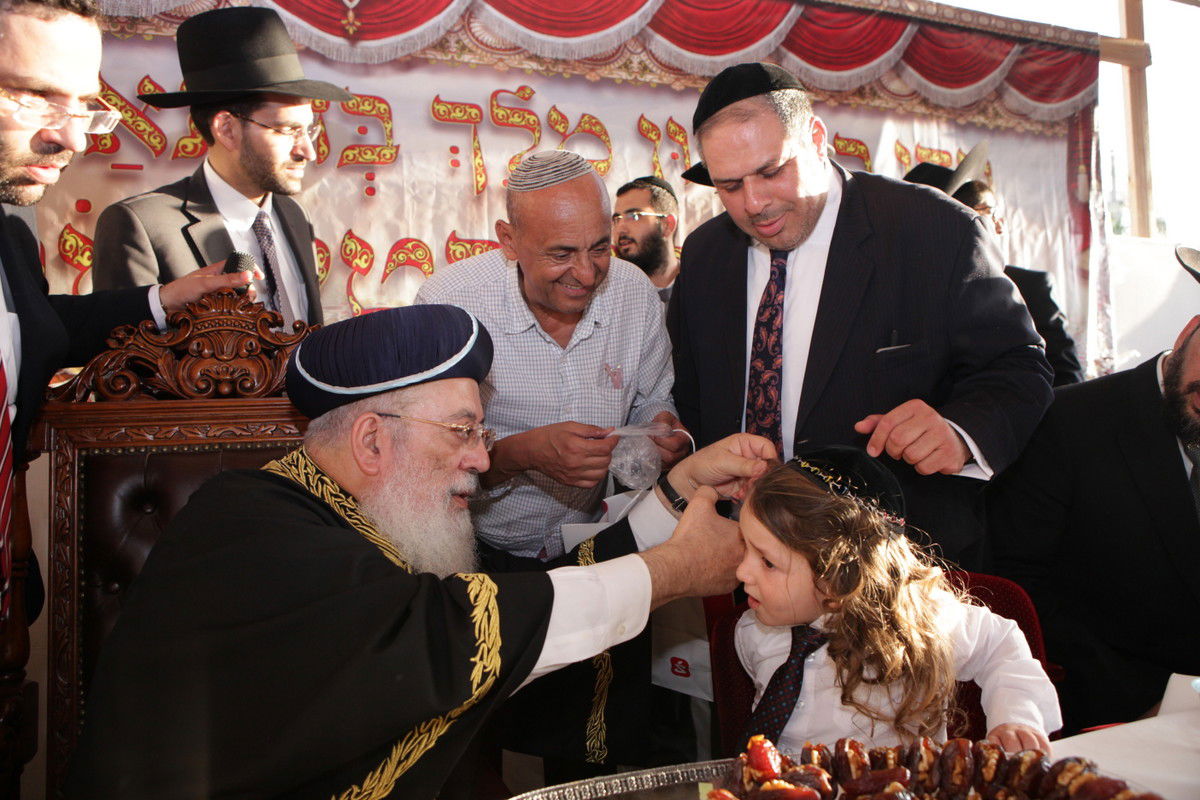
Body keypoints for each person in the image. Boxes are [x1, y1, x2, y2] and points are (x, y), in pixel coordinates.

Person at [67, 303, 769, 798]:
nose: (480, 459)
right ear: (373, 441)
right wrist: (672, 574)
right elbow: (447, 631)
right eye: (462, 431)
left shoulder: (380, 520)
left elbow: (522, 598)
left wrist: (673, 496)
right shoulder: (247, 525)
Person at [669, 62, 1053, 568]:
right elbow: (692, 398)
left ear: (816, 136)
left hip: (890, 570)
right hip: (742, 563)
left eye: (771, 171)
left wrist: (958, 432)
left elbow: (1020, 367)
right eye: (729, 185)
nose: (755, 203)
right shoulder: (705, 254)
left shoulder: (934, 231)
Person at [0, 0, 253, 623]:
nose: (72, 138)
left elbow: (42, 331)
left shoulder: (9, 236)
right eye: (34, 95)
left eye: (83, 105)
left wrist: (163, 300)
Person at [415, 150, 688, 562]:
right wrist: (523, 454)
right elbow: (425, 455)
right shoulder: (449, 306)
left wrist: (657, 426)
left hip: (600, 540)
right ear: (509, 241)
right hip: (479, 551)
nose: (586, 274)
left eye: (599, 248)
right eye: (561, 255)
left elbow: (652, 395)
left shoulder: (634, 294)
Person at [988, 246, 1200, 734]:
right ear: (1189, 332)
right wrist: (1149, 703)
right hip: (1111, 719)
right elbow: (1021, 588)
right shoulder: (1067, 422)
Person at [734, 446, 1060, 753]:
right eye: (744, 546)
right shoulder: (752, 632)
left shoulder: (916, 622)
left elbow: (999, 645)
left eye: (767, 561)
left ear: (839, 574)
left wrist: (1017, 716)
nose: (742, 572)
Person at [91, 6, 344, 326]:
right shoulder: (141, 226)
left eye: (309, 130)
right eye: (289, 130)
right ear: (227, 129)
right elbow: (126, 359)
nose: (308, 151)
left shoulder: (293, 214)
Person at [905, 168, 1085, 387]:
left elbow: (1067, 379)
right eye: (989, 211)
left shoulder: (1030, 287)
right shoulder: (907, 291)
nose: (999, 225)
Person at [613, 175, 680, 302]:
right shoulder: (608, 296)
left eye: (634, 216)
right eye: (616, 219)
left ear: (667, 225)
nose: (620, 229)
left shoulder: (702, 283)